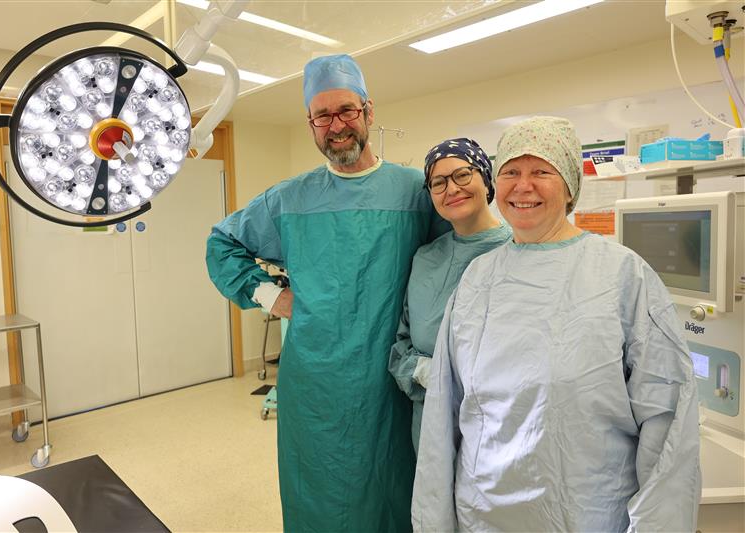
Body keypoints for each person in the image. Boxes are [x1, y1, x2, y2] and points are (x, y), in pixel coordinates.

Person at [411, 116, 700, 532]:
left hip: (587, 512)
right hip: (483, 512)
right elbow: (443, 413)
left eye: (541, 171)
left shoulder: (622, 275)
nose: (522, 185)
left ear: (569, 187)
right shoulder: (478, 279)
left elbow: (666, 417)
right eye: (511, 171)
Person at [206, 54, 448, 533]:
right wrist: (271, 296)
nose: (336, 126)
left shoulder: (414, 191)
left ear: (368, 112)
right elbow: (221, 244)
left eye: (346, 111)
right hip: (315, 386)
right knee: (318, 497)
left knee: (393, 492)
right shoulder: (290, 199)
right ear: (311, 124)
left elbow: (461, 251)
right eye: (323, 116)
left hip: (394, 380)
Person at [389, 138, 511, 455]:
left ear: (486, 180)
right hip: (428, 420)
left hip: (494, 429)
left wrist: (452, 379)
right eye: (438, 183)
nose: (451, 189)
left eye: (462, 175)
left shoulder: (516, 253)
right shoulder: (425, 258)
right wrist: (425, 372)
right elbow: (403, 340)